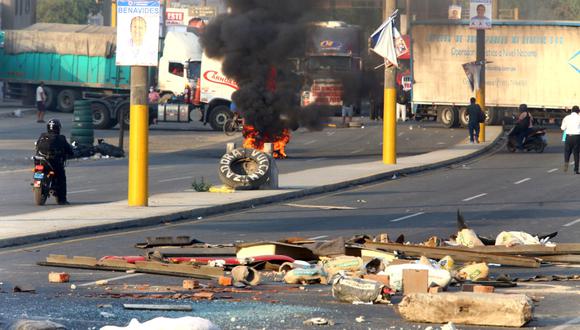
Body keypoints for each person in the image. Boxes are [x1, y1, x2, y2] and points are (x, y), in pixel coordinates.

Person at [35, 119, 74, 205]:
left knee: (37, 170)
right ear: (58, 128)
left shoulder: (42, 136)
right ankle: (62, 200)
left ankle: (37, 183)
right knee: (61, 178)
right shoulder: (61, 138)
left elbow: (37, 146)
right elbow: (69, 151)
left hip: (39, 161)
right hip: (53, 163)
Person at [560, 105, 580, 174]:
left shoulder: (566, 118)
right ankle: (576, 170)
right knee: (576, 153)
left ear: (571, 111)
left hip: (568, 136)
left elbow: (562, 128)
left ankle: (566, 165)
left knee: (567, 151)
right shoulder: (579, 118)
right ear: (578, 111)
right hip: (577, 137)